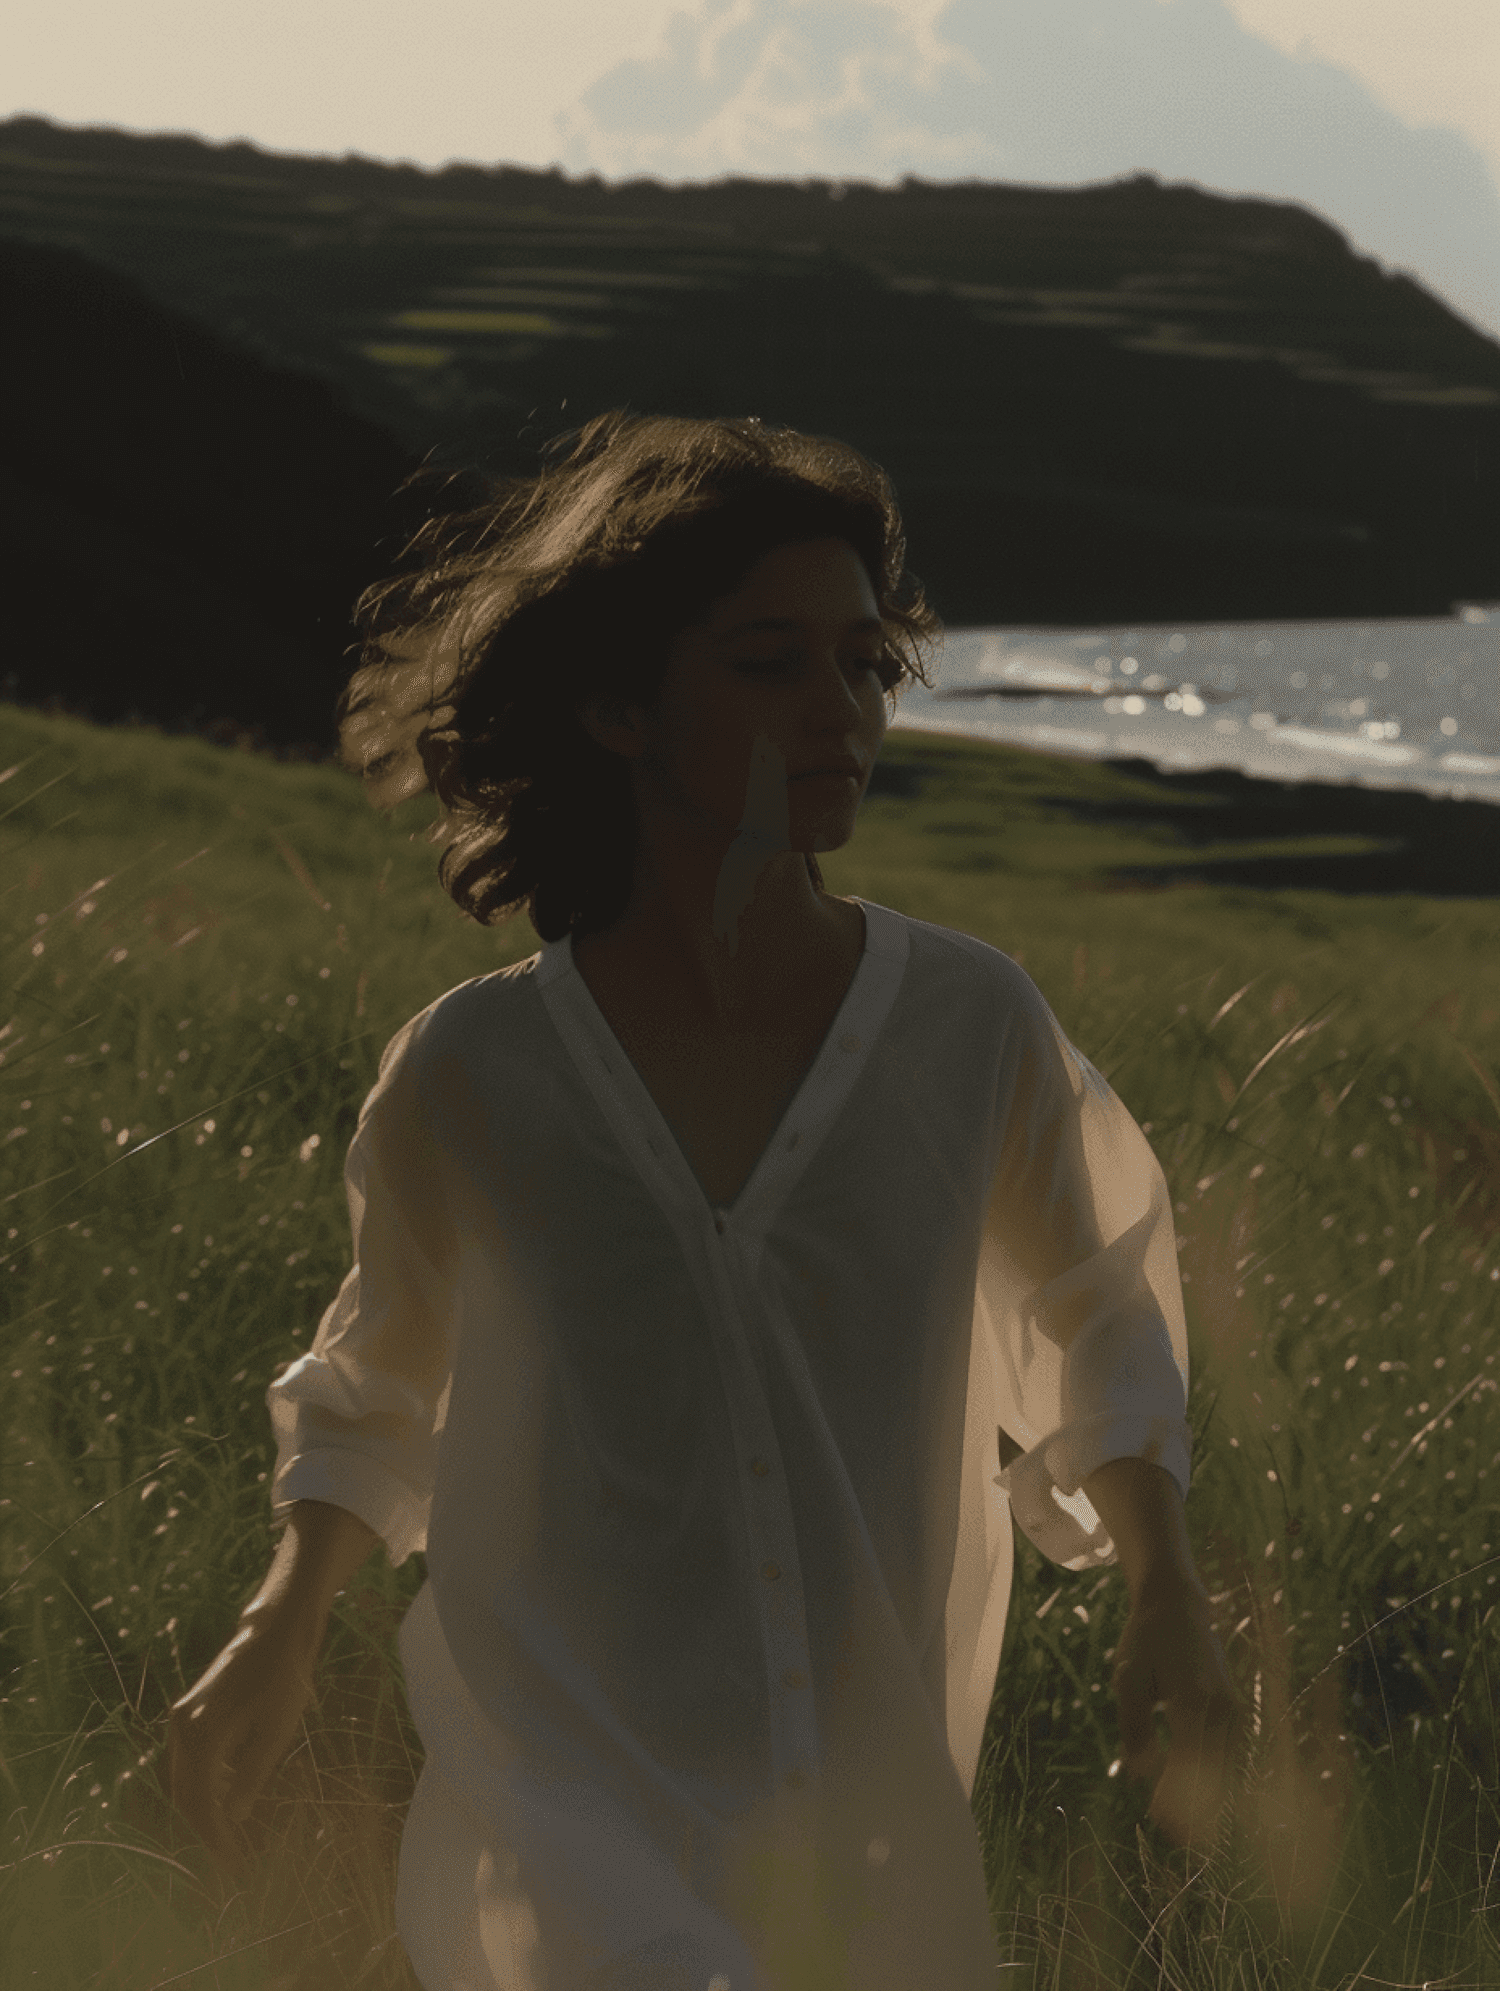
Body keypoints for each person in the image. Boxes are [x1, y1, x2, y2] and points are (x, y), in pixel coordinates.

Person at [165, 410, 1244, 1989]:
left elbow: (1107, 1314)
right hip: (563, 1820)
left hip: (871, 1843)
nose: (840, 710)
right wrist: (279, 1626)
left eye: (864, 664)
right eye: (769, 664)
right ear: (620, 703)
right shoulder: (474, 1075)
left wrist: (1167, 1590)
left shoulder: (970, 1032)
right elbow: (377, 1383)